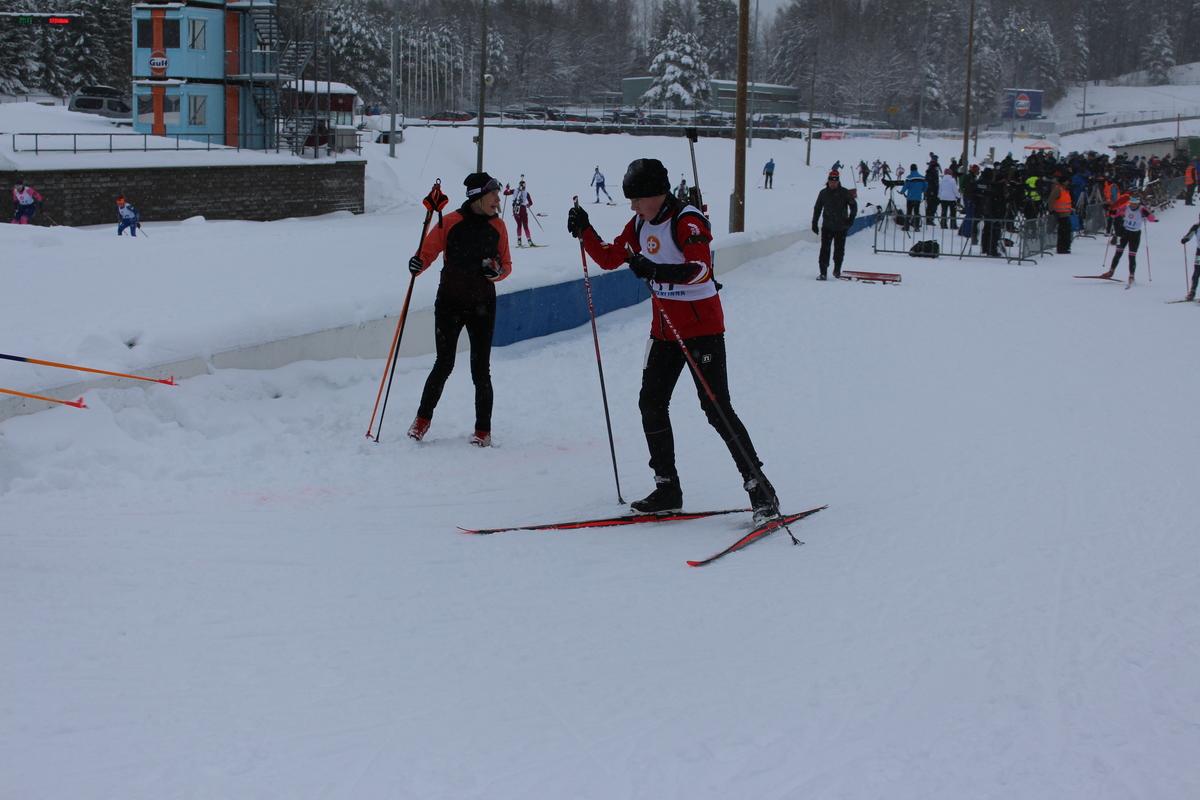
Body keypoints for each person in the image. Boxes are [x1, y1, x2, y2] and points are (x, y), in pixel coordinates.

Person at [565, 158, 781, 523]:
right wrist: (585, 230)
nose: (633, 207)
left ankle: (761, 492)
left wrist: (655, 269)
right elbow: (609, 258)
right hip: (664, 330)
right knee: (651, 403)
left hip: (702, 329)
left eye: (637, 199)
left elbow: (700, 270)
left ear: (658, 194)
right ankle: (667, 488)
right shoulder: (639, 224)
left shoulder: (687, 220)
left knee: (716, 408)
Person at [406, 172, 513, 447]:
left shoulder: (498, 226)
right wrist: (417, 264)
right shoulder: (449, 222)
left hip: (483, 305)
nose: (497, 199)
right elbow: (426, 253)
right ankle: (421, 420)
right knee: (444, 363)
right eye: (493, 194)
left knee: (481, 370)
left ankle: (483, 431)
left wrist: (497, 273)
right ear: (478, 197)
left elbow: (506, 265)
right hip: (449, 303)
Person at [811, 169, 857, 280]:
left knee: (839, 250)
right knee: (824, 250)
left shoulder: (845, 192)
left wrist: (851, 219)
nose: (833, 184)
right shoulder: (823, 193)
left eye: (835, 182)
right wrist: (814, 223)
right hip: (827, 227)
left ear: (838, 181)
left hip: (841, 227)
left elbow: (854, 206)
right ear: (828, 181)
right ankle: (823, 273)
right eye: (831, 181)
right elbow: (817, 208)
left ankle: (837, 270)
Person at [1101, 193, 1154, 286]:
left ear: (1138, 203)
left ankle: (1131, 276)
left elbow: (1152, 218)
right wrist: (1111, 211)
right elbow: (1115, 214)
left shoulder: (1142, 209)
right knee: (1118, 253)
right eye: (1131, 202)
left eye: (1135, 203)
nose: (1133, 205)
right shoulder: (1126, 207)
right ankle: (1111, 271)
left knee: (1132, 256)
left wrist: (1148, 215)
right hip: (1124, 233)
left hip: (1135, 235)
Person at [505, 178, 535, 247]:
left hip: (515, 209)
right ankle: (529, 241)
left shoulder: (514, 190)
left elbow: (505, 193)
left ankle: (519, 241)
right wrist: (528, 205)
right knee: (525, 225)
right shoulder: (526, 193)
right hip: (523, 209)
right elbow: (531, 202)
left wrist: (507, 188)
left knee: (519, 225)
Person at [1048, 175, 1073, 254]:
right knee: (1063, 232)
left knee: (1066, 232)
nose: (1068, 182)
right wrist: (1051, 210)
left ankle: (1066, 247)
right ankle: (1062, 248)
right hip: (1060, 214)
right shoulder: (1058, 189)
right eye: (1067, 181)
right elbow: (1051, 200)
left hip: (1066, 213)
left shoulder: (1065, 190)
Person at [1180, 213, 1200, 301]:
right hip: (1199, 253)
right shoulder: (1196, 226)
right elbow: (1189, 235)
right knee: (1197, 272)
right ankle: (1192, 292)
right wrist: (1185, 239)